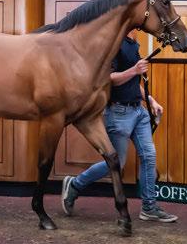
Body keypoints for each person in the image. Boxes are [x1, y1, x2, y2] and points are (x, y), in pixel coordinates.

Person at [61, 30, 178, 223]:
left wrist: (151, 100)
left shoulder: (133, 43)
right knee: (116, 163)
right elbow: (108, 78)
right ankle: (75, 184)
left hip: (139, 112)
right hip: (119, 113)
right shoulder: (114, 43)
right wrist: (134, 70)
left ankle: (149, 207)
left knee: (149, 156)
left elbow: (133, 82)